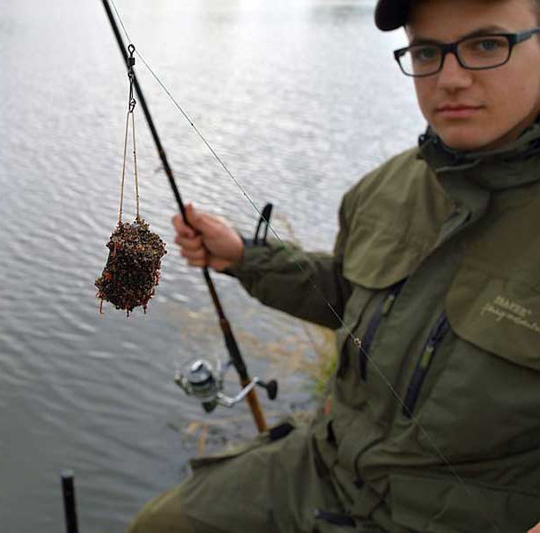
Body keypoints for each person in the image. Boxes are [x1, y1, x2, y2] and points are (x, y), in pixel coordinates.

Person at [128, 0, 540, 531]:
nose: (451, 78)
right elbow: (347, 298)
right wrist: (245, 258)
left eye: (486, 44)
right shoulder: (384, 188)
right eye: (427, 51)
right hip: (326, 465)